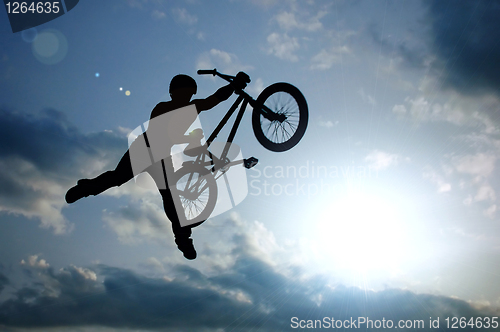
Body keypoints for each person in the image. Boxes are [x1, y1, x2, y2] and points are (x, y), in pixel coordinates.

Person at [65, 72, 249, 259]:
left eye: (190, 95)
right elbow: (167, 134)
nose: (187, 98)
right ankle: (85, 188)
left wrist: (234, 86)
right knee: (118, 178)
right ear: (173, 93)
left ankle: (183, 240)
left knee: (171, 199)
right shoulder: (162, 108)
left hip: (161, 157)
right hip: (144, 150)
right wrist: (189, 137)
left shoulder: (192, 107)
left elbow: (214, 100)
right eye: (184, 94)